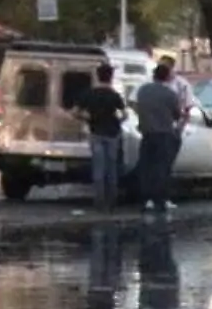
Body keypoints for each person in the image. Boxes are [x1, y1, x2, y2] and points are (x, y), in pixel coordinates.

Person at [74, 64, 128, 211]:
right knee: (112, 168)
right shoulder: (114, 95)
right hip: (112, 134)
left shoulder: (89, 94)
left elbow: (76, 112)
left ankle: (99, 201)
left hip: (96, 132)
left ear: (98, 76)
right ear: (110, 77)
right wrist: (117, 121)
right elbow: (125, 115)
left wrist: (88, 118)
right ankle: (112, 201)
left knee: (98, 167)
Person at [134, 63, 186, 214]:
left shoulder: (143, 90)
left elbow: (138, 107)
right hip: (164, 134)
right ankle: (160, 199)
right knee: (162, 168)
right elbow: (177, 115)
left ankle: (146, 199)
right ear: (167, 76)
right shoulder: (169, 94)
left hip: (147, 133)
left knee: (146, 167)